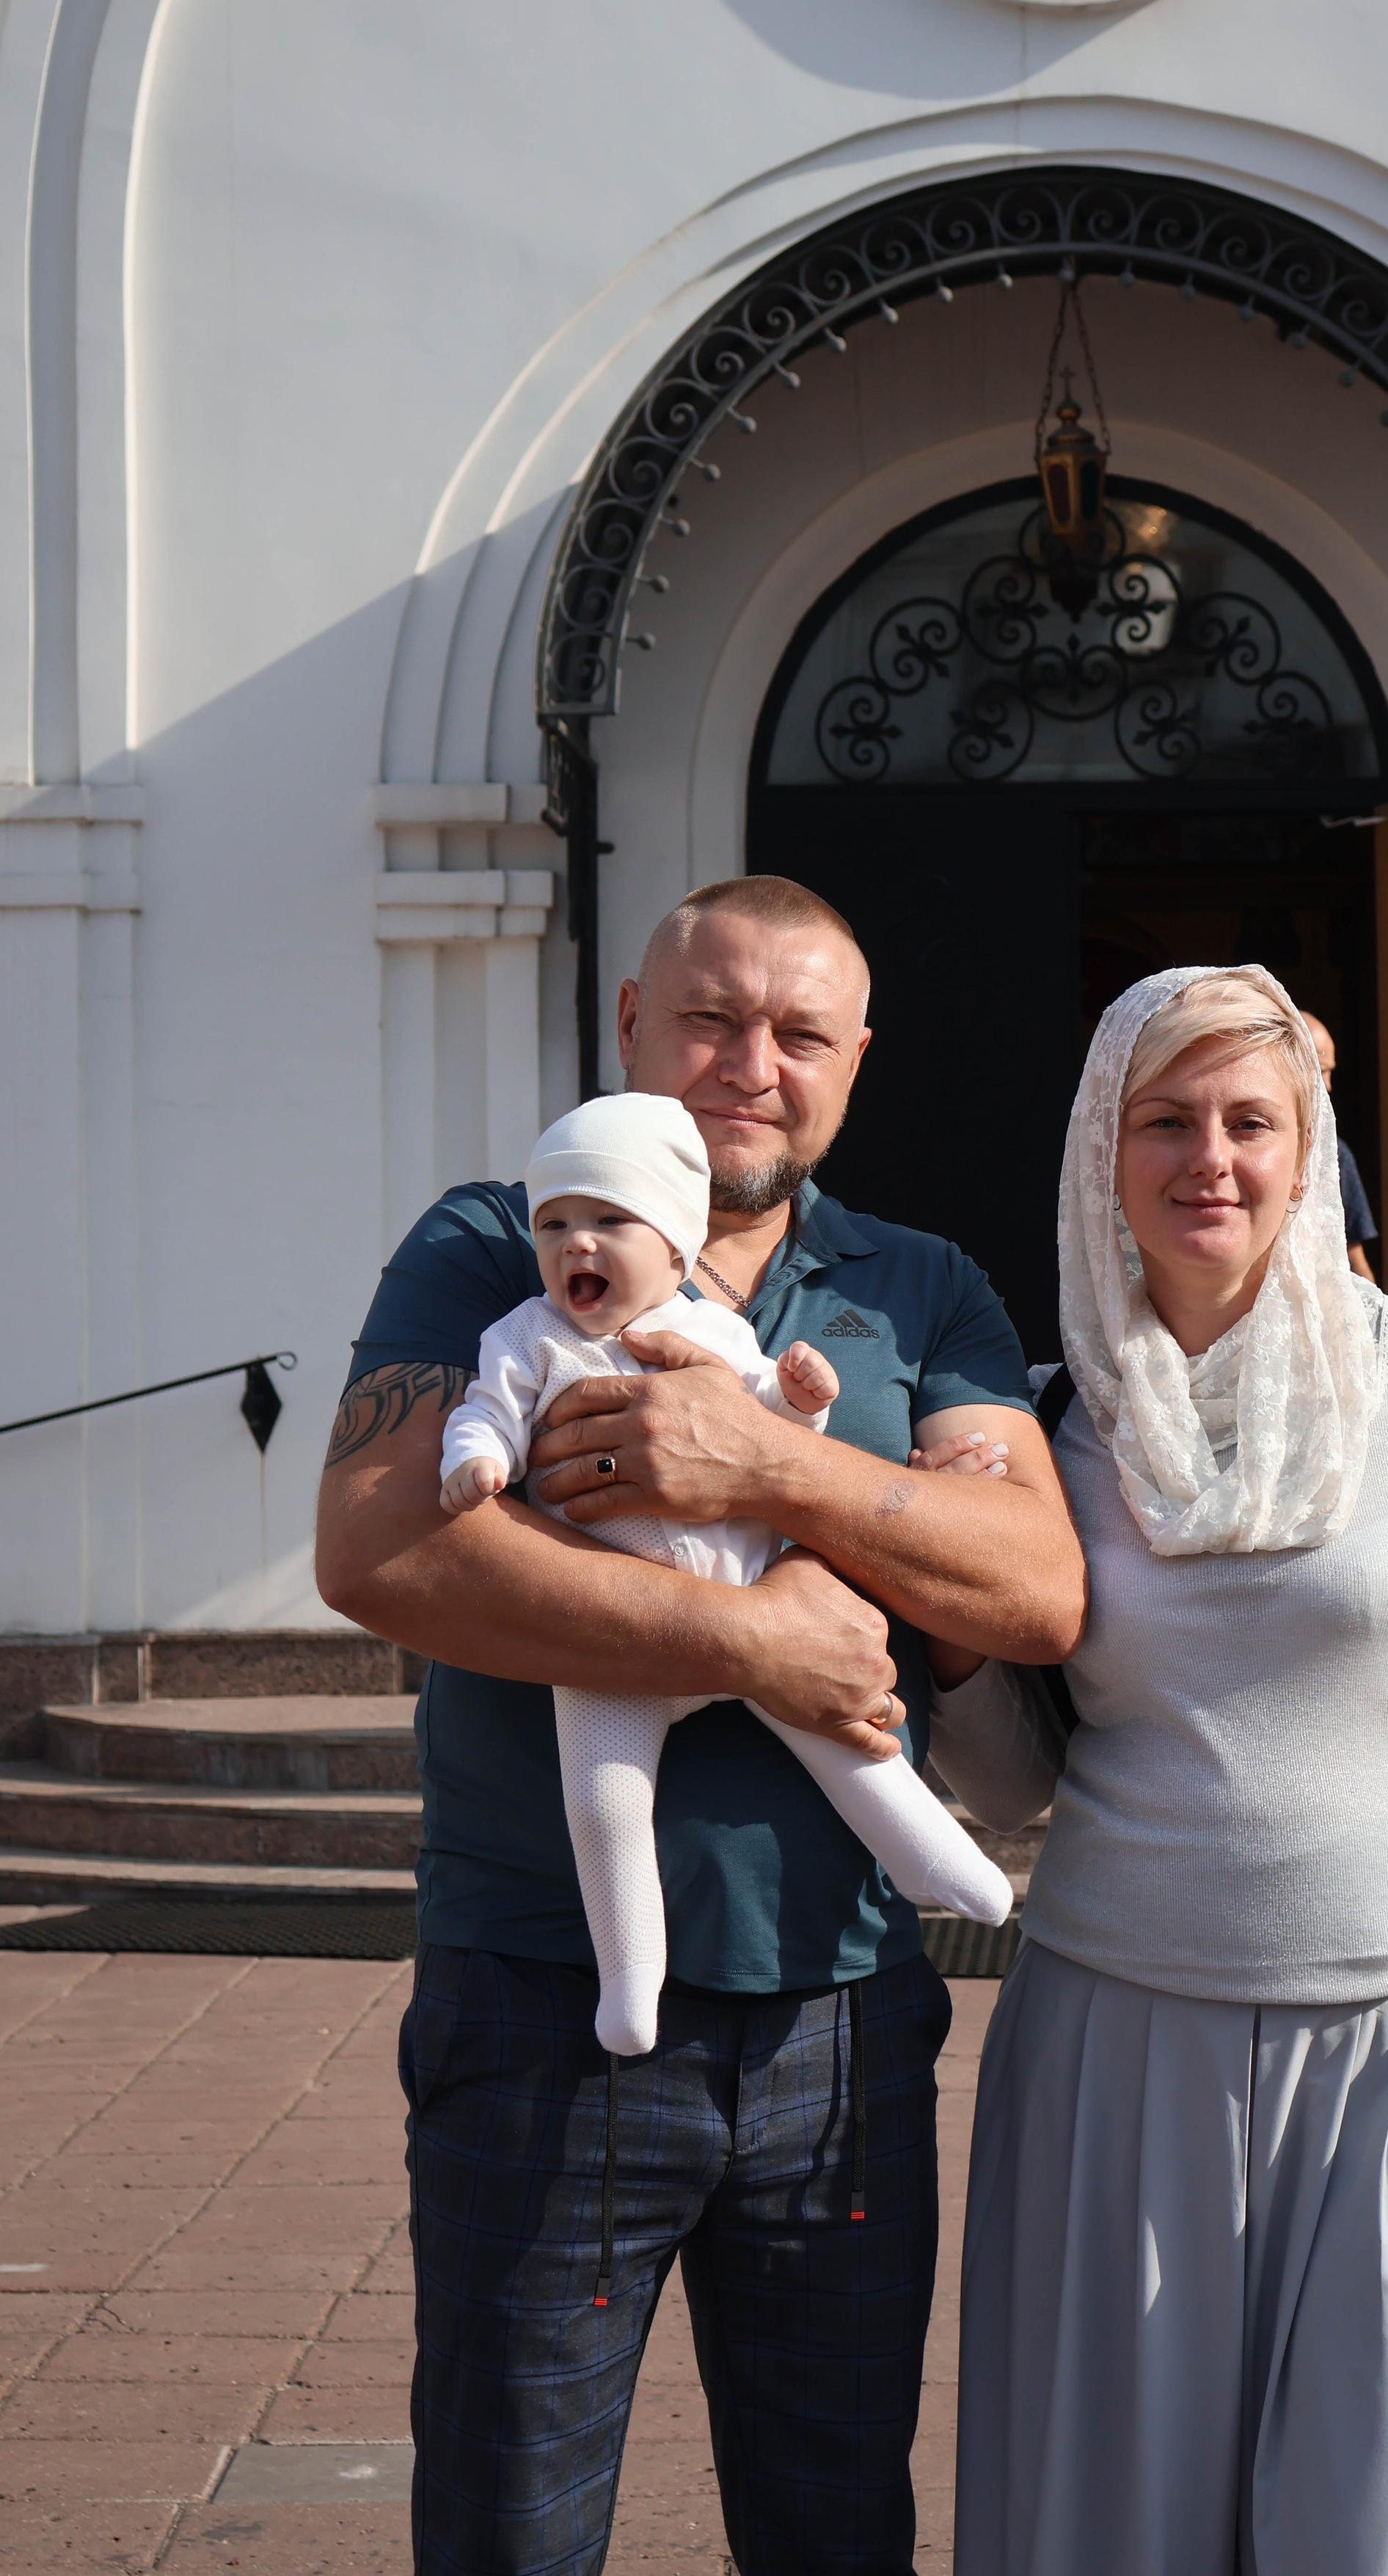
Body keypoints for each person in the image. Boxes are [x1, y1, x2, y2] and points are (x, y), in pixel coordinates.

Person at [314, 876, 1085, 2576]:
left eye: (799, 1031)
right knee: (511, 2528)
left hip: (843, 2029)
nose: (750, 1061)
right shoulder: (489, 1242)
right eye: (710, 1017)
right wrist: (751, 1635)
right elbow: (380, 1545)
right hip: (542, 2009)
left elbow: (1033, 1586)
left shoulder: (918, 1284)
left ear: (855, 1059)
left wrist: (768, 1469)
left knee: (834, 2531)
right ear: (631, 1029)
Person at [929, 965, 1388, 2576]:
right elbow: (1005, 1789)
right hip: (1118, 2043)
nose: (1205, 1158)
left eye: (1247, 1121)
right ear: (1101, 1151)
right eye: (1163, 1120)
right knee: (1114, 2539)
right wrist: (932, 1612)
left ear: (1304, 1147)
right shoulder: (1036, 1429)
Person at [437, 1088, 1012, 2059]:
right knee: (606, 1801)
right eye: (556, 1225)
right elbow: (485, 1411)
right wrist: (480, 1460)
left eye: (609, 1221)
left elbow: (772, 1428)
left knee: (845, 1733)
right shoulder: (526, 1336)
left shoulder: (709, 1330)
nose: (578, 1245)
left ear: (673, 1246)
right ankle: (631, 1985)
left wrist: (802, 1399)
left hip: (754, 1599)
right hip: (613, 1643)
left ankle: (945, 1864)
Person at [1302, 1008, 1378, 1279]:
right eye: (1321, 1072)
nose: (1329, 1085)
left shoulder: (1333, 1153)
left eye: (1331, 1072)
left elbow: (1353, 1255)